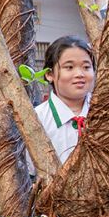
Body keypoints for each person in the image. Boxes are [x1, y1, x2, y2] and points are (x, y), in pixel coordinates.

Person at [35, 35, 96, 163]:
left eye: (86, 67)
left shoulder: (108, 112)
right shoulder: (37, 119)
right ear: (49, 74)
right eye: (69, 67)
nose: (80, 74)